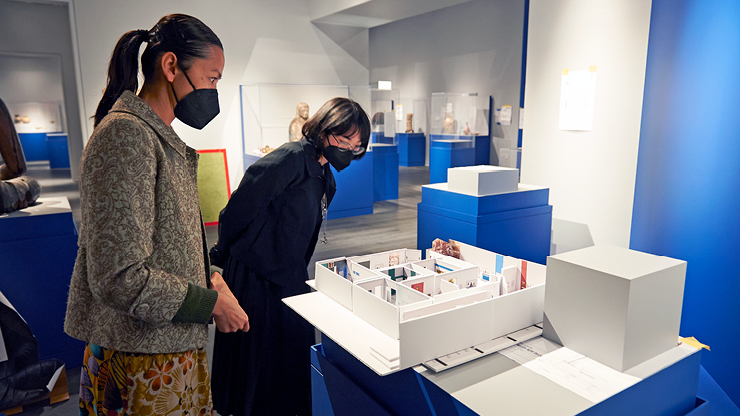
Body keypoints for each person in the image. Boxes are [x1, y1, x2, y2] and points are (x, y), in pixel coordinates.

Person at [63, 14, 249, 416]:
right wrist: (210, 304)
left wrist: (210, 279)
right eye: (212, 78)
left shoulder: (155, 138)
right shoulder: (126, 135)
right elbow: (120, 277)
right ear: (170, 66)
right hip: (140, 361)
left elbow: (166, 245)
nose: (214, 91)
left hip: (163, 351)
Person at [209, 97, 370, 416]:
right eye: (345, 139)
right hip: (256, 275)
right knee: (258, 360)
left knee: (289, 358)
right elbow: (239, 208)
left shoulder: (326, 176)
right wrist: (219, 260)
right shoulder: (290, 159)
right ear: (325, 129)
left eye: (357, 145)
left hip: (290, 273)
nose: (349, 149)